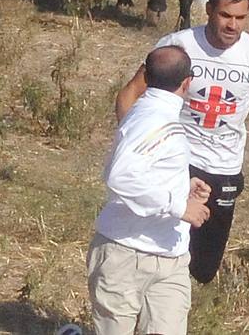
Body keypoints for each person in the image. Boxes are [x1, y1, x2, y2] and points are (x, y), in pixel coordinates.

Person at [116, 0, 249, 286]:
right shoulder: (179, 45)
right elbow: (130, 93)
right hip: (179, 162)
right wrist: (135, 148)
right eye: (225, 15)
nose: (233, 25)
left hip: (224, 170)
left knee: (204, 268)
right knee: (159, 247)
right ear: (208, 9)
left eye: (240, 17)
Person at [89, 44, 210, 335]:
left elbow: (145, 169)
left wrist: (182, 186)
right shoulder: (152, 119)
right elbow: (121, 176)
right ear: (187, 82)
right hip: (126, 255)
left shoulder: (155, 113)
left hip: (169, 258)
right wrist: (178, 206)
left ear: (146, 75)